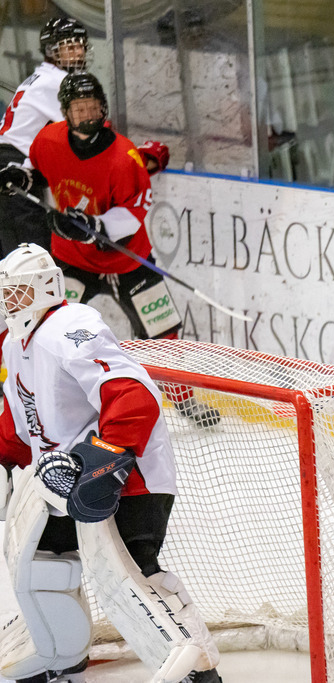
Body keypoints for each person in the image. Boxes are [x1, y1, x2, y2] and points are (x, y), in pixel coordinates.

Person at [0, 243, 221, 683]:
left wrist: (109, 459)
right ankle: (59, 655)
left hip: (127, 471)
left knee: (133, 576)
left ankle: (196, 673)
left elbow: (133, 396)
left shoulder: (71, 325)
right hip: (62, 480)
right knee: (45, 563)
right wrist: (4, 459)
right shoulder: (14, 344)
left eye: (18, 292)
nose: (9, 302)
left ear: (45, 288)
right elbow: (21, 417)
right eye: (5, 293)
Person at [0, 71, 216, 427]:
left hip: (128, 261)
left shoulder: (124, 157)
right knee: (46, 327)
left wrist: (95, 227)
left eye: (92, 107)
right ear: (65, 112)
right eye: (78, 108)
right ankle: (40, 398)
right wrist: (21, 177)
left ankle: (182, 398)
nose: (86, 115)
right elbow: (40, 172)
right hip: (72, 260)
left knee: (164, 332)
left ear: (103, 109)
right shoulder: (48, 139)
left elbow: (132, 216)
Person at [0, 17, 169, 255]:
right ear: (51, 51)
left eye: (80, 45)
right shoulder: (59, 82)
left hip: (12, 167)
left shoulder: (40, 77)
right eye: (69, 47)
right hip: (14, 172)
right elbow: (98, 139)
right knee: (32, 263)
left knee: (10, 264)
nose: (78, 52)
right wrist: (140, 157)